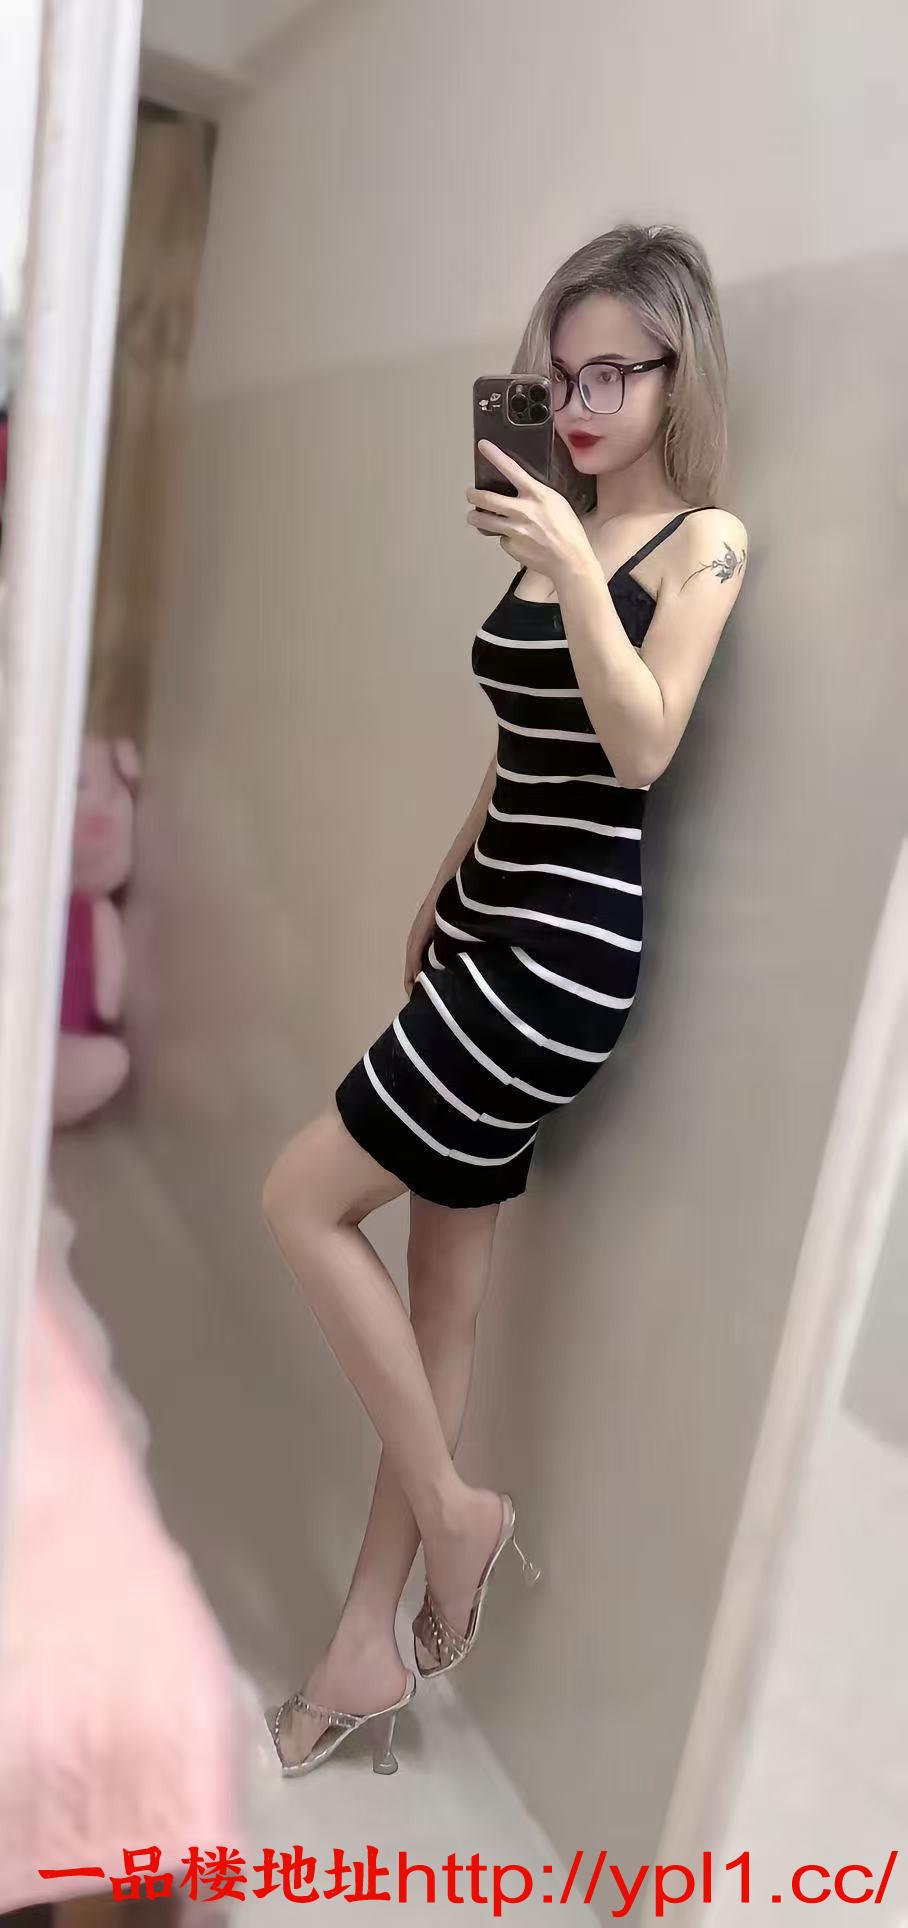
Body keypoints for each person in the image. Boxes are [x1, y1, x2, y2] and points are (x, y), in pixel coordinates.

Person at [261, 222, 748, 1776]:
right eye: (563, 371)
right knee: (441, 1300)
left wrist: (576, 566)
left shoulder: (704, 545)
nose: (581, 400)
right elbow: (525, 746)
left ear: (677, 372)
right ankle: (365, 1645)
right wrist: (439, 883)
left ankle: (458, 1516)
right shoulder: (560, 524)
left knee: (297, 1202)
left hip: (558, 967)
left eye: (615, 372)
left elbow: (642, 743)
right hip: (483, 925)